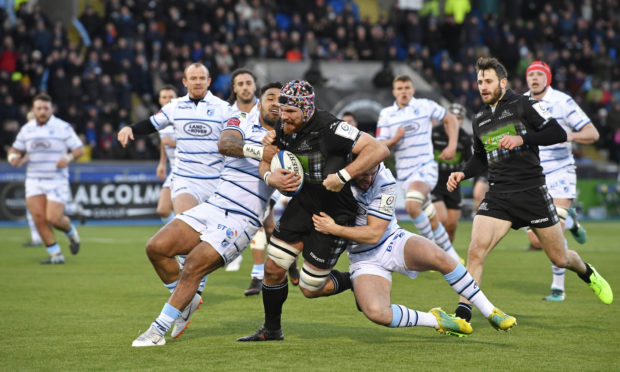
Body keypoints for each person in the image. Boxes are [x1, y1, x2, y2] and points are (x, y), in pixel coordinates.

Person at [447, 57, 613, 324]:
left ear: (502, 82)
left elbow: (557, 133)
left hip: (532, 192)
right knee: (475, 251)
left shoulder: (526, 104)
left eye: (488, 81)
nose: (483, 86)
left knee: (559, 258)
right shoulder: (479, 119)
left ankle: (587, 272)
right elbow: (480, 157)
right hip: (499, 195)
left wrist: (522, 138)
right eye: (479, 82)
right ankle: (462, 314)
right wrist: (463, 172)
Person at [131, 82, 291, 347]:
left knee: (192, 266)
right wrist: (261, 151)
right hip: (214, 205)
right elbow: (226, 143)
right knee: (156, 247)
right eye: (270, 97)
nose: (275, 103)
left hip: (243, 218)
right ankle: (187, 299)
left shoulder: (289, 140)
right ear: (259, 102)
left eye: (281, 101)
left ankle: (157, 330)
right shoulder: (240, 118)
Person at [238, 80, 389, 342]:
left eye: (291, 112)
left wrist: (343, 175)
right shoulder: (281, 125)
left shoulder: (331, 128)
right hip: (304, 203)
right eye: (282, 111)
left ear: (307, 110)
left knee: (309, 287)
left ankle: (358, 280)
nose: (284, 117)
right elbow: (266, 160)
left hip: (334, 213)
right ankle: (272, 329)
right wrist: (270, 178)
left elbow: (379, 149)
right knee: (273, 269)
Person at [312, 163, 515, 336]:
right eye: (361, 174)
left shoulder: (385, 179)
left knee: (439, 257)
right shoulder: (336, 181)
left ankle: (491, 311)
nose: (366, 179)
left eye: (370, 174)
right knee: (377, 313)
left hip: (392, 240)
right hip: (363, 258)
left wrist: (334, 228)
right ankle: (437, 320)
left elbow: (374, 234)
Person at [118, 63, 231, 334]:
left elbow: (236, 136)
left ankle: (190, 295)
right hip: (186, 181)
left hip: (216, 183)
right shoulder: (175, 107)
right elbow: (151, 123)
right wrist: (130, 128)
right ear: (184, 81)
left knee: (203, 244)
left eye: (202, 78)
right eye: (192, 78)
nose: (197, 82)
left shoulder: (224, 109)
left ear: (209, 80)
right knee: (184, 228)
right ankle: (189, 296)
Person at [523, 61, 600, 301]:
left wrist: (569, 135)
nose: (534, 78)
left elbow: (593, 133)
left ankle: (558, 287)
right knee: (537, 239)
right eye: (531, 75)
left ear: (548, 78)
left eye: (539, 74)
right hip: (531, 175)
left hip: (560, 173)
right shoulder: (520, 102)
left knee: (553, 231)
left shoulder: (563, 101)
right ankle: (573, 222)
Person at [224, 68, 300, 294]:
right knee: (267, 226)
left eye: (249, 82)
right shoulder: (229, 113)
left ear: (254, 87)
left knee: (260, 219)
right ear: (235, 88)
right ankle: (289, 262)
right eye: (240, 83)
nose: (245, 87)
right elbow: (225, 142)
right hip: (240, 174)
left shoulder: (273, 110)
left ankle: (258, 275)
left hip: (269, 174)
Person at [376, 75, 461, 262]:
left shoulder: (425, 105)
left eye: (407, 87)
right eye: (399, 88)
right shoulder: (387, 114)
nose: (403, 91)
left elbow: (451, 119)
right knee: (430, 215)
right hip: (404, 174)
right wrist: (394, 140)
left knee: (412, 205)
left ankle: (431, 253)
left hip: (425, 167)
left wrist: (452, 145)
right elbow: (380, 147)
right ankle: (452, 255)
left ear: (413, 90)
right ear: (394, 92)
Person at [7, 93, 83, 264]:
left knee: (54, 218)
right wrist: (13, 158)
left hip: (56, 179)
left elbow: (79, 149)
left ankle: (71, 232)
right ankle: (56, 254)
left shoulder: (62, 127)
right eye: (39, 108)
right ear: (33, 110)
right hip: (34, 179)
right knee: (38, 218)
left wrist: (68, 158)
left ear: (51, 109)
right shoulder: (27, 129)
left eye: (46, 108)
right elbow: (14, 150)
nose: (42, 111)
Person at [430, 103, 472, 242]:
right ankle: (431, 253)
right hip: (434, 182)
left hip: (453, 185)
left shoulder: (465, 138)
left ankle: (448, 257)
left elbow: (471, 161)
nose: (455, 121)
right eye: (452, 117)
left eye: (459, 118)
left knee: (452, 225)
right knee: (441, 218)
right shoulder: (434, 133)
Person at [155, 85, 178, 225]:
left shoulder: (184, 116)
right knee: (163, 209)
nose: (168, 100)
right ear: (159, 100)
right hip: (174, 169)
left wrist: (172, 142)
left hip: (191, 168)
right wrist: (162, 162)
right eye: (164, 97)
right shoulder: (159, 119)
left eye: (171, 97)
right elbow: (163, 143)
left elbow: (198, 142)